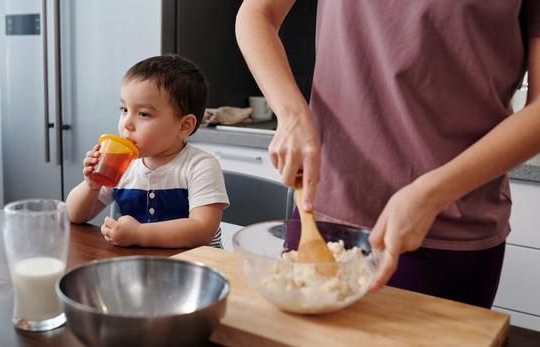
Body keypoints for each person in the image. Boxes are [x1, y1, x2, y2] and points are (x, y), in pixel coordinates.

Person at [235, 0, 540, 308]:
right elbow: (257, 13)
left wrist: (433, 193)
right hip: (323, 215)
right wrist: (291, 113)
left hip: (445, 231)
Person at [66, 55, 229, 248]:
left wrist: (139, 234)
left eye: (143, 114)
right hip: (139, 267)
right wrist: (91, 186)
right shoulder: (121, 165)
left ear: (184, 125)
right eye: (124, 109)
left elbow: (202, 230)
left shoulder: (200, 166)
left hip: (195, 269)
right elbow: (74, 216)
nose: (126, 123)